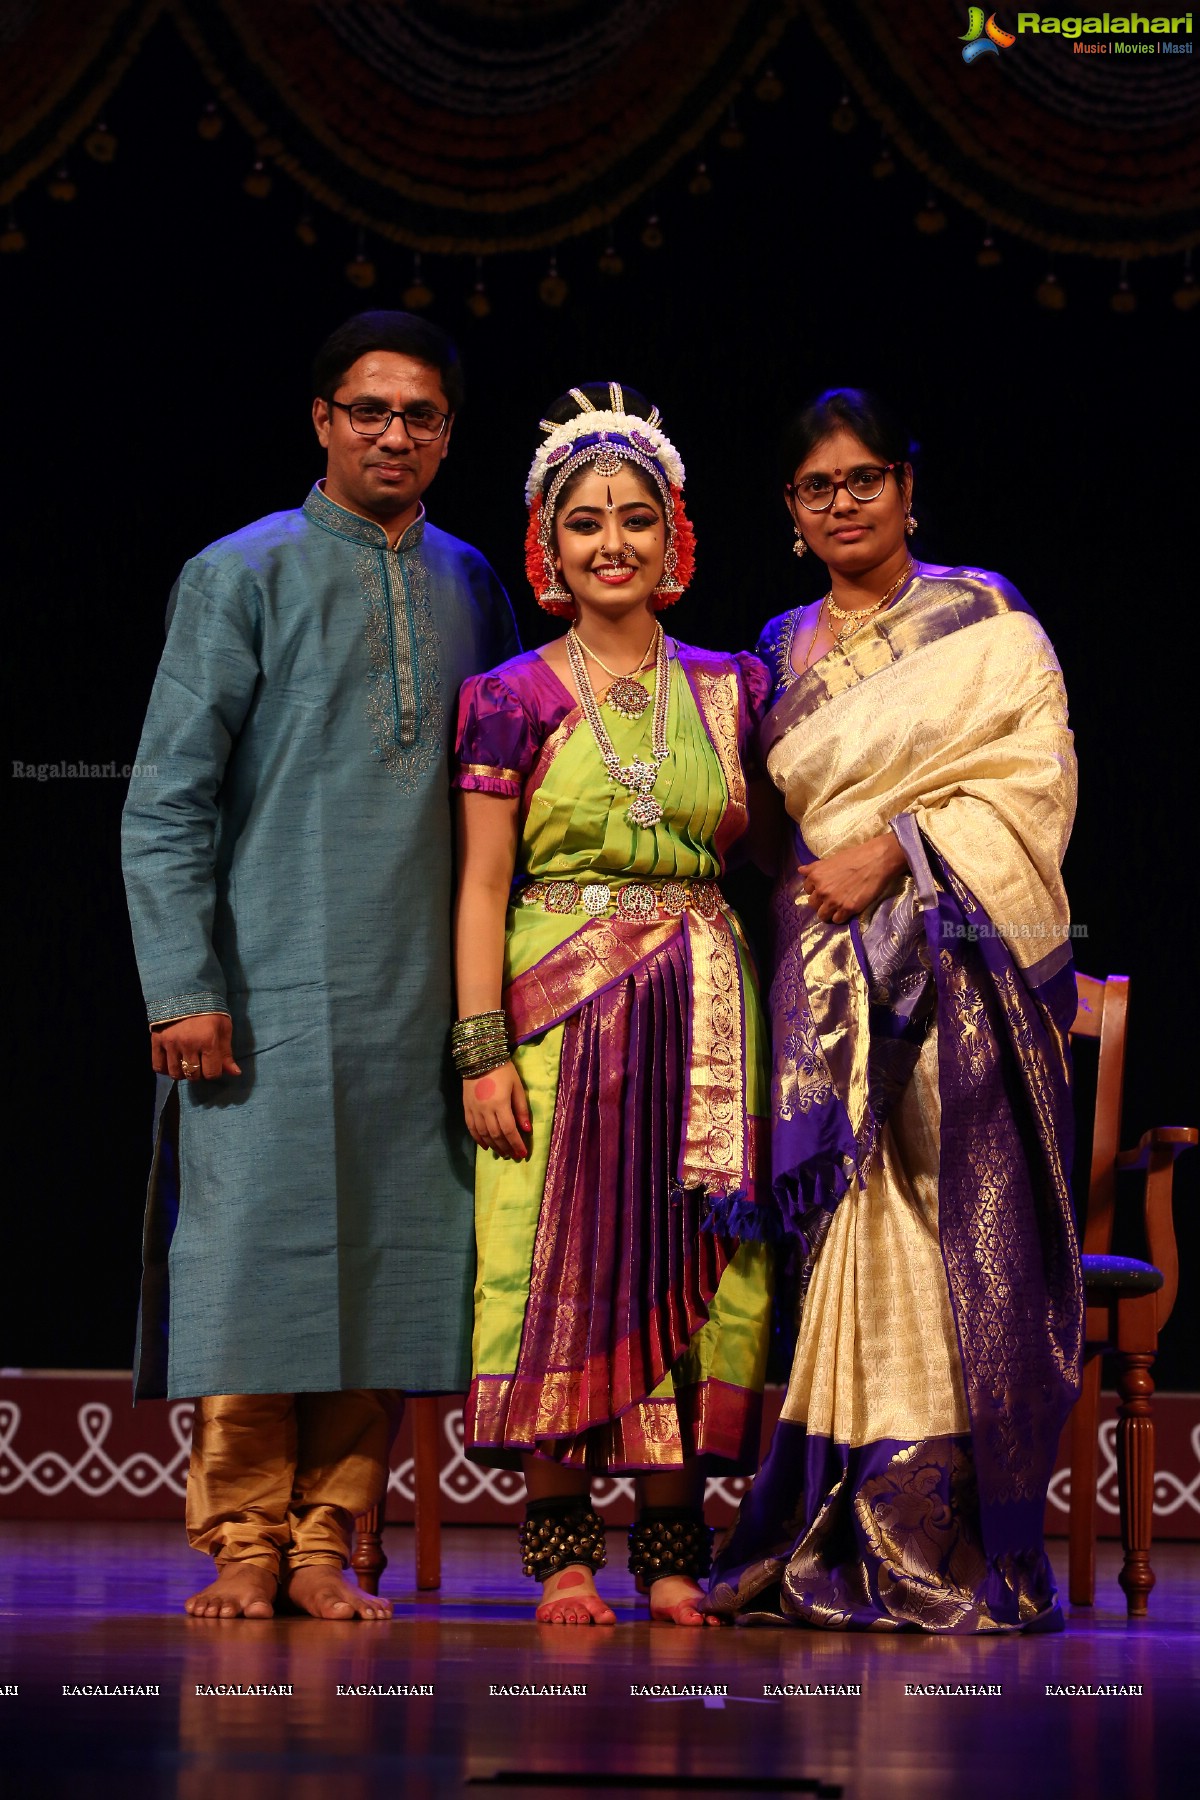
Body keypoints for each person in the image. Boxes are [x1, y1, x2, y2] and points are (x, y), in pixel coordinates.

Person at [121, 311, 519, 1620]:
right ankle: (242, 1541)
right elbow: (168, 800)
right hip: (265, 989)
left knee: (393, 1265)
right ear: (322, 422)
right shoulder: (240, 573)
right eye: (368, 411)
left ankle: (326, 1542)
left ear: (450, 434)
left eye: (420, 416)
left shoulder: (472, 583)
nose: (393, 434)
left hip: (423, 995)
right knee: (259, 1259)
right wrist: (183, 984)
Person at [705, 387, 1083, 1633]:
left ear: (909, 487)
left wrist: (903, 852)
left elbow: (1033, 781)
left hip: (964, 966)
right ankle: (840, 1522)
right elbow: (768, 833)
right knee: (853, 1230)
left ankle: (947, 1537)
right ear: (790, 512)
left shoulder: (986, 617)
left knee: (950, 1226)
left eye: (865, 480)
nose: (844, 504)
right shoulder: (771, 651)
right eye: (818, 488)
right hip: (823, 978)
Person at [452, 383, 776, 1626]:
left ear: (673, 536)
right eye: (584, 522)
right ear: (548, 544)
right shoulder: (510, 697)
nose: (612, 544)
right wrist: (482, 1051)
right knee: (557, 1260)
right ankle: (561, 1549)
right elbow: (482, 887)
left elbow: (777, 852)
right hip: (557, 1010)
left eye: (636, 519)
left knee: (701, 1264)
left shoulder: (735, 688)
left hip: (702, 1010)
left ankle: (673, 1548)